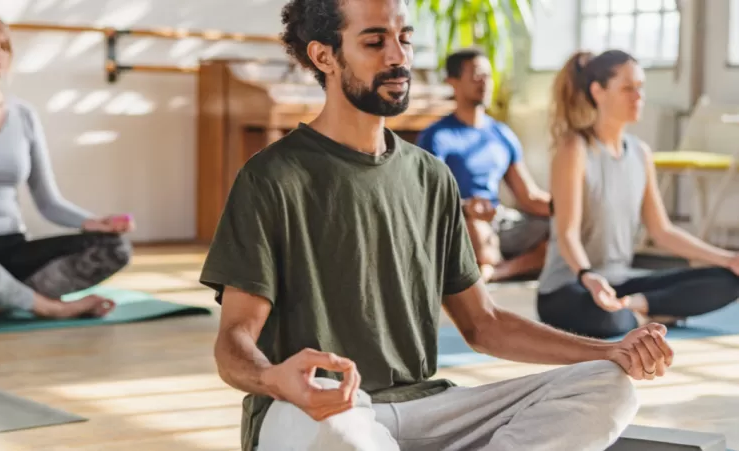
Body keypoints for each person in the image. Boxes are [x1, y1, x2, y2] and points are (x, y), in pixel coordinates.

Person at [200, 2, 674, 450]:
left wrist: (610, 350)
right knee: (342, 433)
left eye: (403, 38)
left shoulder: (431, 176)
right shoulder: (272, 178)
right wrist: (273, 379)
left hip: (424, 404)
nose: (398, 56)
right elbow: (234, 341)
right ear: (323, 55)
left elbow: (484, 325)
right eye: (374, 42)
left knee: (608, 386)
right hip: (318, 411)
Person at [537, 49, 739, 339]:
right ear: (598, 91)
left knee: (729, 281)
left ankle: (637, 308)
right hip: (570, 286)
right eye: (628, 89)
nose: (638, 97)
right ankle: (649, 313)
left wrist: (727, 259)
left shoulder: (640, 154)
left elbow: (662, 231)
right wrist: (587, 275)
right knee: (605, 320)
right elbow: (566, 233)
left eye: (641, 88)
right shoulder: (574, 149)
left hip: (620, 283)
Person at [0, 13, 134, 320]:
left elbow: (48, 202)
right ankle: (50, 307)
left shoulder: (24, 116)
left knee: (116, 248)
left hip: (12, 248)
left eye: (3, 46)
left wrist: (96, 222)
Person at [417, 47, 551, 282]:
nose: (485, 82)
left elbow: (528, 196)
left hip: (499, 218)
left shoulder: (502, 134)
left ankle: (496, 272)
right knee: (476, 228)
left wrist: (570, 209)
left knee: (561, 230)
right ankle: (487, 266)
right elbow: (429, 196)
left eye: (488, 75)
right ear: (453, 82)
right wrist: (466, 207)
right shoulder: (436, 136)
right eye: (477, 75)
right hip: (461, 219)